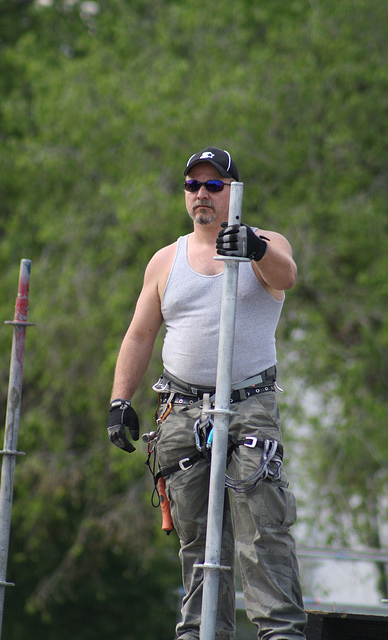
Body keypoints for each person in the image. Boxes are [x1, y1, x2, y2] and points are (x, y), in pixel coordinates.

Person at [107, 147, 307, 640]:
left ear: (233, 192)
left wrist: (255, 249)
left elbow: (287, 276)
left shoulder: (264, 244)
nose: (201, 194)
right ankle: (202, 632)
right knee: (198, 539)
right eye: (193, 185)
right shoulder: (165, 260)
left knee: (262, 530)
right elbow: (139, 335)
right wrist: (119, 401)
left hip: (248, 405)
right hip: (182, 410)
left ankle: (279, 631)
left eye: (213, 185)